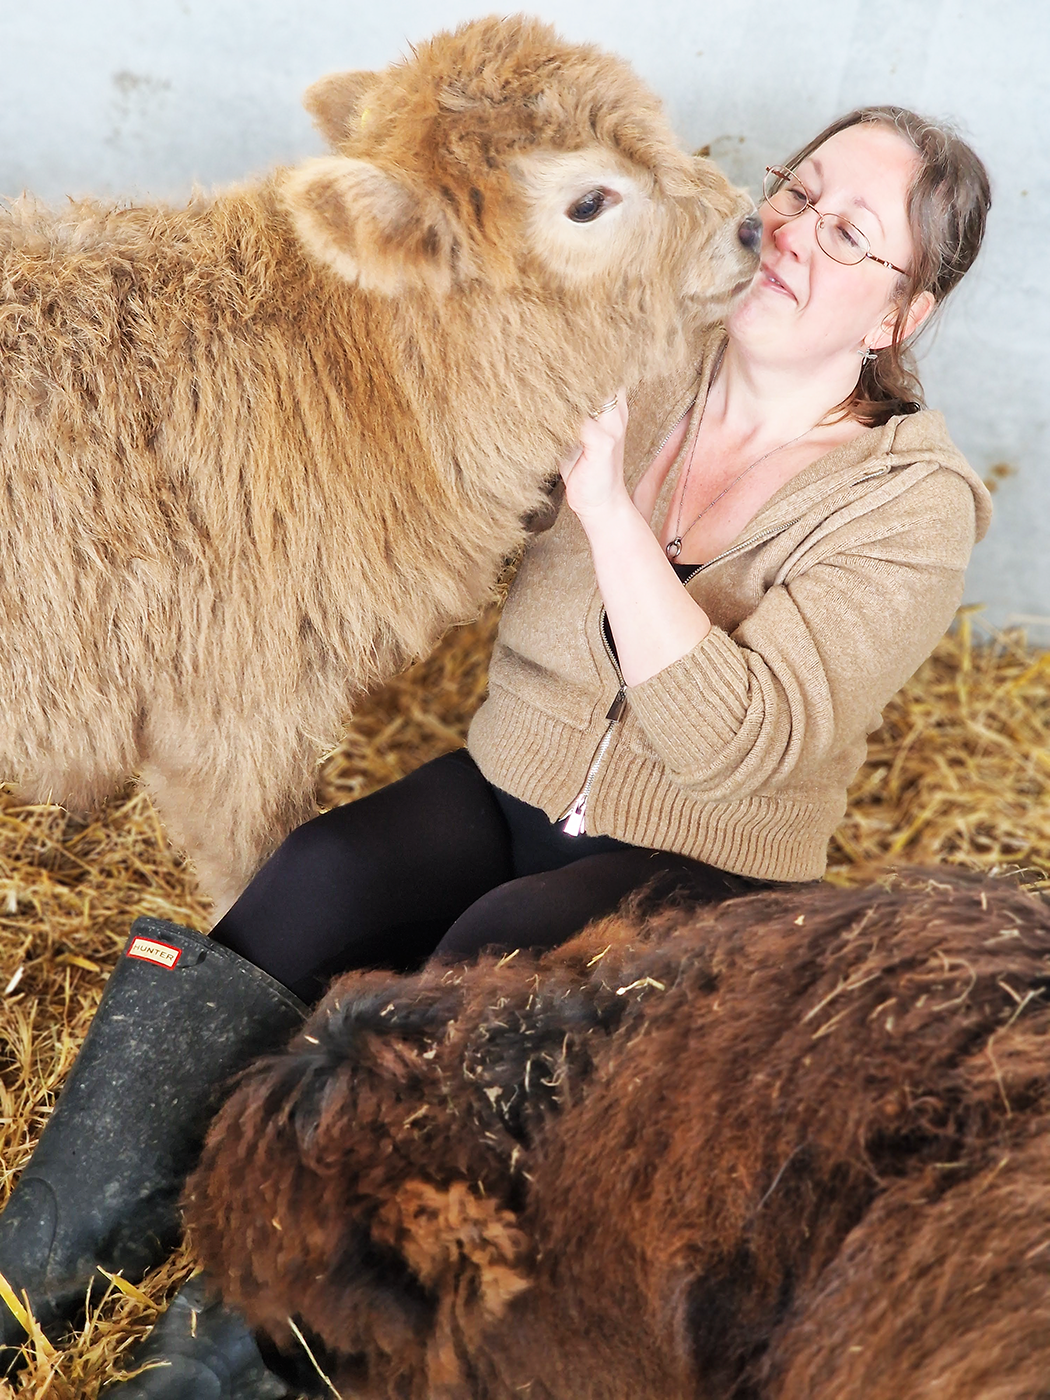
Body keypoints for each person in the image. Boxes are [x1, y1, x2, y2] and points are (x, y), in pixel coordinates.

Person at [0, 106, 993, 1397]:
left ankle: (240, 1347)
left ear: (898, 316)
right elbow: (425, 461)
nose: (789, 232)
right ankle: (40, 1277)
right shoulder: (635, 356)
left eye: (848, 232)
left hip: (698, 848)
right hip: (508, 777)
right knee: (314, 876)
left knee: (481, 969)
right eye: (794, 192)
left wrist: (607, 511)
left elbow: (737, 738)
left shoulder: (908, 501)